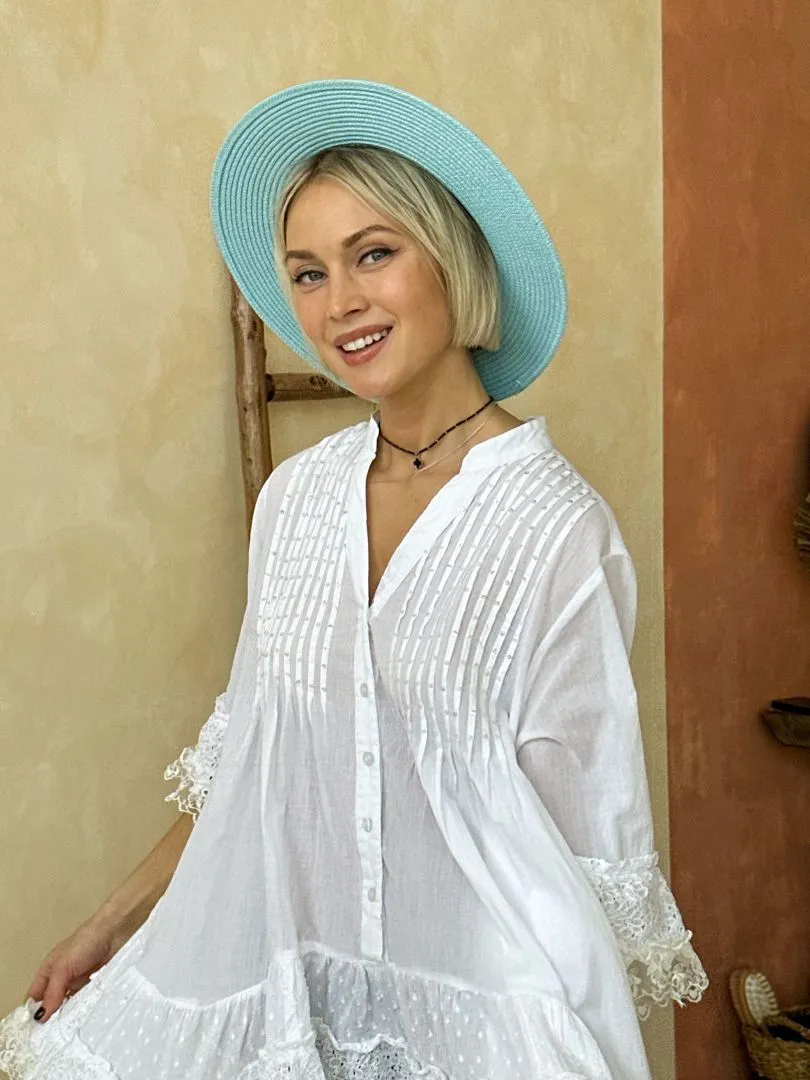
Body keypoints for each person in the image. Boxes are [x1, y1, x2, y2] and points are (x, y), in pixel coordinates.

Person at [0, 80, 707, 1080]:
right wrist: (109, 925)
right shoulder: (294, 502)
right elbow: (253, 756)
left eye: (373, 254)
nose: (340, 304)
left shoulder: (558, 528)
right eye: (308, 273)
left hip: (479, 1024)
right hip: (300, 1002)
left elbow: (591, 842)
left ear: (450, 260)